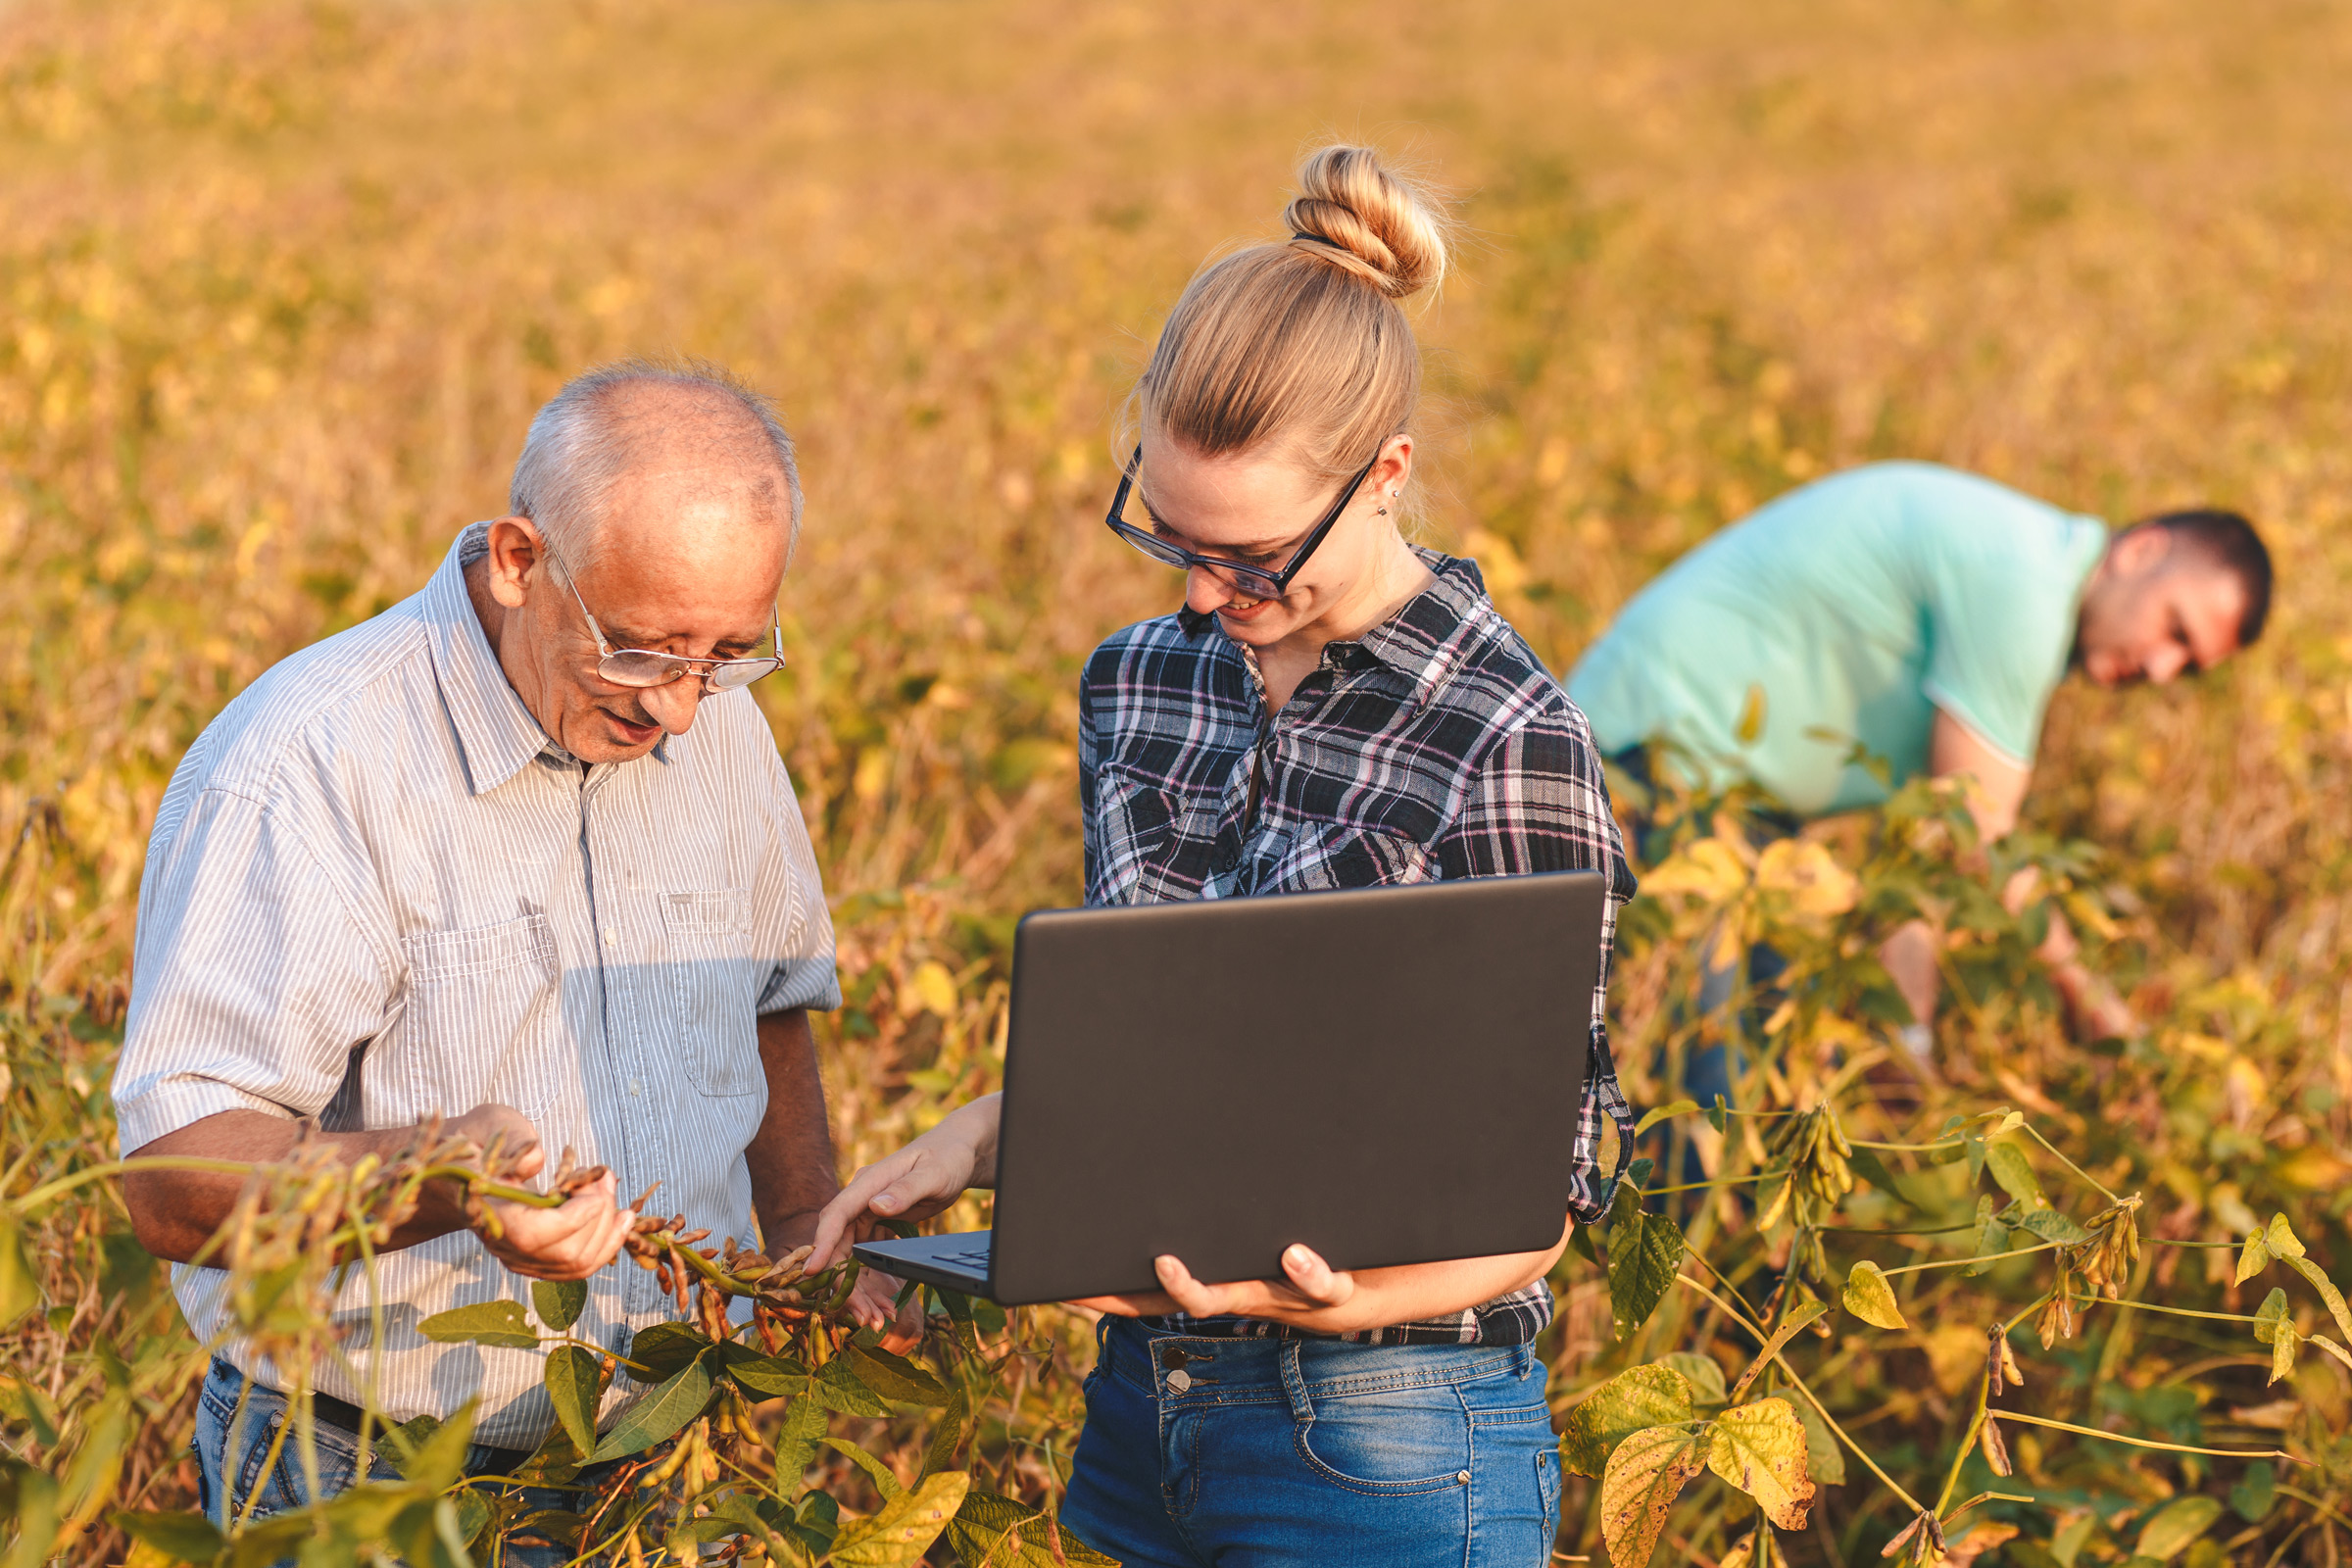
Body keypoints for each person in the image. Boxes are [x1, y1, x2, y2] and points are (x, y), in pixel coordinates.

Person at [809, 147, 1634, 1568]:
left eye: (1252, 560)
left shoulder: (1505, 733)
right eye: (1170, 539)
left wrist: (1348, 1303)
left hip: (1387, 1433)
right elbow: (1173, 1051)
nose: (1205, 596)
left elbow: (1547, 1191)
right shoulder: (1143, 681)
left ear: (1386, 477)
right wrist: (969, 1148)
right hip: (1141, 1417)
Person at [111, 360, 908, 1537]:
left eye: (729, 650)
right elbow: (176, 1181)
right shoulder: (306, 764)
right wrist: (448, 1179)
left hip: (679, 1458)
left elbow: (765, 999)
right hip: (370, 1477)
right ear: (519, 560)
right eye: (642, 650)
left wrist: (804, 1227)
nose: (682, 707)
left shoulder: (714, 710)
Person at [1567, 461, 2272, 1058]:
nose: (2160, 667)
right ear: (2141, 550)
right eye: (2174, 628)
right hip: (1654, 760)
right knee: (1704, 1075)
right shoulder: (2024, 587)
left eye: (2187, 665)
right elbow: (1977, 835)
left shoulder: (2034, 581)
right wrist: (2091, 1004)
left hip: (1725, 796)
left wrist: (1910, 1042)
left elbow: (1928, 846)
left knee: (1761, 1056)